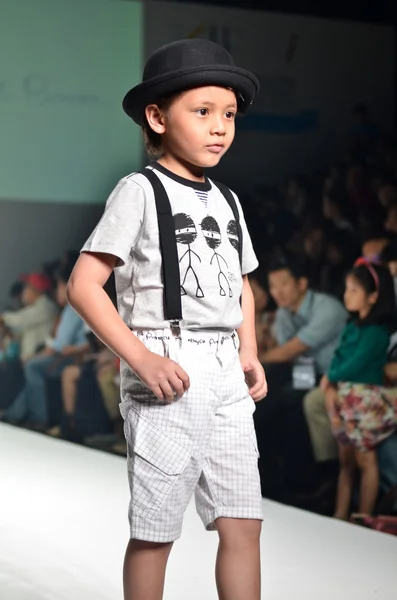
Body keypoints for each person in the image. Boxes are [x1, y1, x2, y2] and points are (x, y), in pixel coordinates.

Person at [67, 39, 267, 600]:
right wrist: (141, 356)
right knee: (156, 532)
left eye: (227, 115)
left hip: (227, 368)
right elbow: (84, 286)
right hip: (166, 360)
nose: (218, 127)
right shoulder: (138, 191)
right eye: (201, 112)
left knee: (243, 519)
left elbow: (242, 283)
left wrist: (247, 350)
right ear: (157, 116)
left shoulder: (228, 200)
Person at [321, 259, 397, 519]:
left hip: (365, 401)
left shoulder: (378, 333)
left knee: (366, 460)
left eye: (354, 290)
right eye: (347, 289)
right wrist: (331, 377)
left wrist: (329, 376)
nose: (347, 295)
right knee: (347, 462)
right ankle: (340, 515)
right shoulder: (351, 327)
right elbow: (340, 357)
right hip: (346, 399)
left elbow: (354, 364)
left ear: (373, 296)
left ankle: (364, 516)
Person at [1, 264, 88, 428]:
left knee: (32, 367)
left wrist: (35, 356)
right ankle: (16, 413)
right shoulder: (59, 309)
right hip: (62, 355)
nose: (23, 292)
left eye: (27, 288)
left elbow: (58, 345)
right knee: (29, 367)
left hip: (68, 358)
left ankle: (37, 417)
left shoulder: (54, 308)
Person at [261, 254, 347, 374]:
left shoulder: (327, 308)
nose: (277, 292)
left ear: (302, 284)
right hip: (306, 375)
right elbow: (286, 352)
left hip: (338, 376)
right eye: (273, 286)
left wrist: (257, 359)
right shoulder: (283, 312)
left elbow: (292, 349)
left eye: (284, 284)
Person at [0, 273, 58, 361]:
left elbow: (20, 319)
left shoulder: (46, 306)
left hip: (41, 360)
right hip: (30, 360)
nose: (23, 292)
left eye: (26, 288)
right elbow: (19, 331)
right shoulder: (34, 308)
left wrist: (3, 318)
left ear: (36, 290)